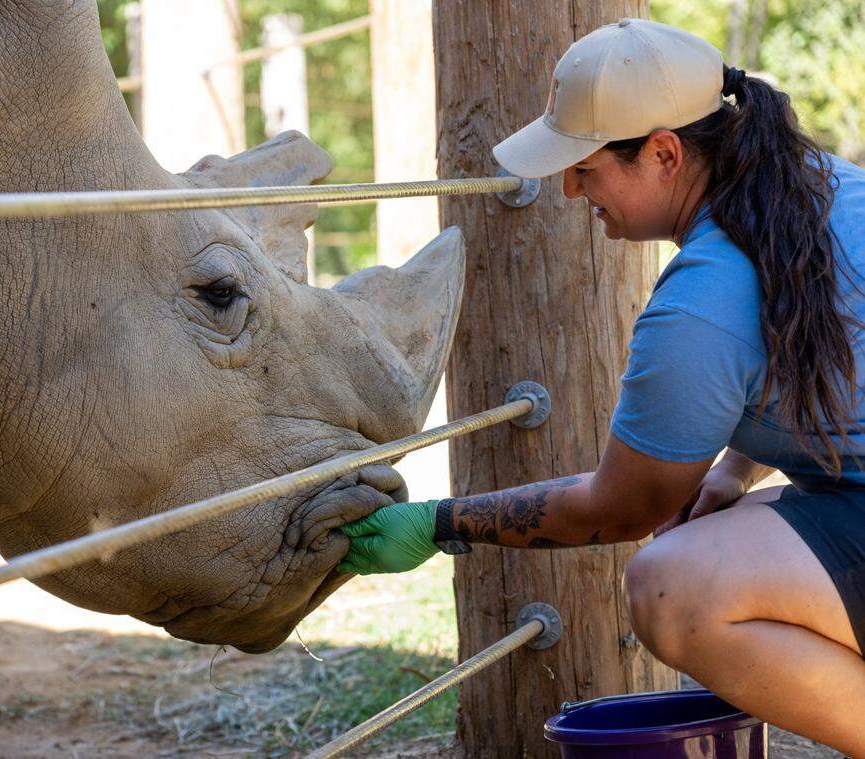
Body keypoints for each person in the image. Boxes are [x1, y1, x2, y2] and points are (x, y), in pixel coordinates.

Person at [334, 18, 865, 754]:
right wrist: (736, 469)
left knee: (672, 587)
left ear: (663, 153)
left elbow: (622, 507)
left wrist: (439, 522)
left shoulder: (702, 300)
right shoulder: (820, 190)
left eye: (585, 165)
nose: (567, 186)